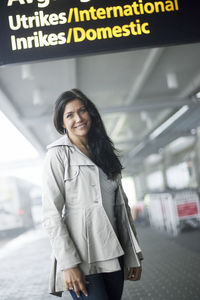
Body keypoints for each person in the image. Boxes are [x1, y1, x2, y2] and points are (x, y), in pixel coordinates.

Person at [42, 89, 143, 300]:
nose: (78, 118)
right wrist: (68, 264)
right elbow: (51, 214)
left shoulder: (104, 151)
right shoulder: (57, 155)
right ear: (61, 123)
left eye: (82, 111)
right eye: (69, 115)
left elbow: (121, 210)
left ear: (92, 114)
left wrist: (133, 256)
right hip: (81, 258)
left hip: (114, 254)